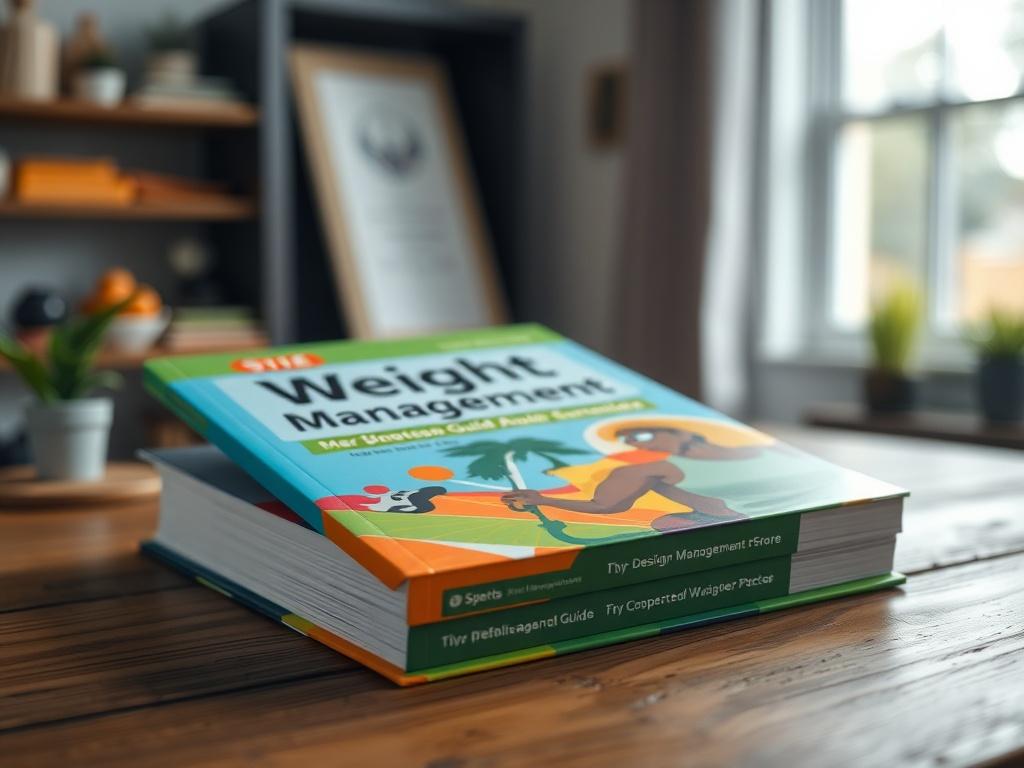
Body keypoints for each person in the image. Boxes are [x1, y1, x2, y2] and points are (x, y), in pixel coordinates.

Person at [502, 425, 831, 532]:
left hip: (815, 510)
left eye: (641, 435)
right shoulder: (647, 470)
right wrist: (542, 500)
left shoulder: (761, 444)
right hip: (746, 524)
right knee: (664, 524)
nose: (633, 443)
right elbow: (603, 506)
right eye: (628, 441)